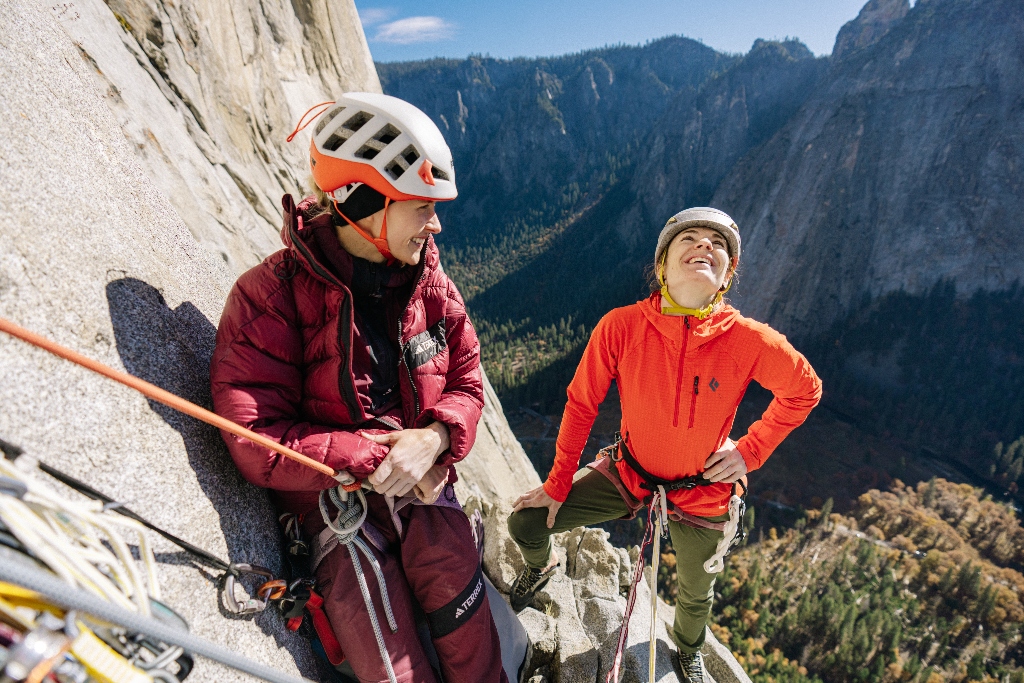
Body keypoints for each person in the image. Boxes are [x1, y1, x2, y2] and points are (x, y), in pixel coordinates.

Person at [211, 92, 506, 682]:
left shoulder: (430, 285)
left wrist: (435, 437)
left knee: (448, 558)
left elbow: (468, 379)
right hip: (333, 507)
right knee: (376, 620)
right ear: (363, 202)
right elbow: (254, 435)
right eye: (422, 205)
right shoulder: (269, 297)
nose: (437, 221)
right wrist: (375, 458)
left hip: (419, 482)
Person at [506, 207, 822, 682]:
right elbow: (581, 403)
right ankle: (542, 564)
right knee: (527, 522)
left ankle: (689, 650)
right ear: (662, 267)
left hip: (704, 491)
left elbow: (805, 389)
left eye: (717, 244)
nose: (704, 246)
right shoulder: (622, 326)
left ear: (726, 276)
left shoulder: (748, 340)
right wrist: (555, 485)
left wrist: (748, 452)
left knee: (695, 594)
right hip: (630, 471)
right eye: (689, 239)